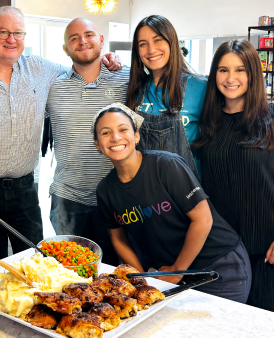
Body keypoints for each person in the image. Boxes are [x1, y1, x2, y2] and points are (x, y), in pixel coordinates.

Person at [0, 6, 121, 267]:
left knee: (36, 261)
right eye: (3, 32)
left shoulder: (43, 70)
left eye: (18, 33)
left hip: (25, 188)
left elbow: (81, 64)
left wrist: (105, 58)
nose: (11, 39)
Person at [194, 40, 274, 317]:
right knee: (231, 324)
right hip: (228, 247)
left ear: (253, 75)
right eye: (223, 70)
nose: (231, 78)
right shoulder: (208, 121)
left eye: (240, 70)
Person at [93, 104, 251, 303]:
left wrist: (177, 269)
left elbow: (203, 219)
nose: (115, 137)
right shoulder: (105, 190)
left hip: (218, 264)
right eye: (106, 133)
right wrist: (143, 279)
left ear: (136, 136)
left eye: (123, 129)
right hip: (167, 273)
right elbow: (119, 239)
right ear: (97, 144)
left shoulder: (166, 165)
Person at [46, 17, 129, 265]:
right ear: (65, 49)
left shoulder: (127, 78)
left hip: (118, 196)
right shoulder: (53, 86)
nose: (83, 41)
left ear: (101, 40)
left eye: (89, 34)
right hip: (67, 197)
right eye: (74, 38)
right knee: (70, 273)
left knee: (115, 273)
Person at [126, 15, 207, 177]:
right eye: (143, 44)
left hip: (190, 191)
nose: (151, 50)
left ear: (172, 42)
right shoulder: (135, 90)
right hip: (146, 188)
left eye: (158, 40)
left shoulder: (200, 86)